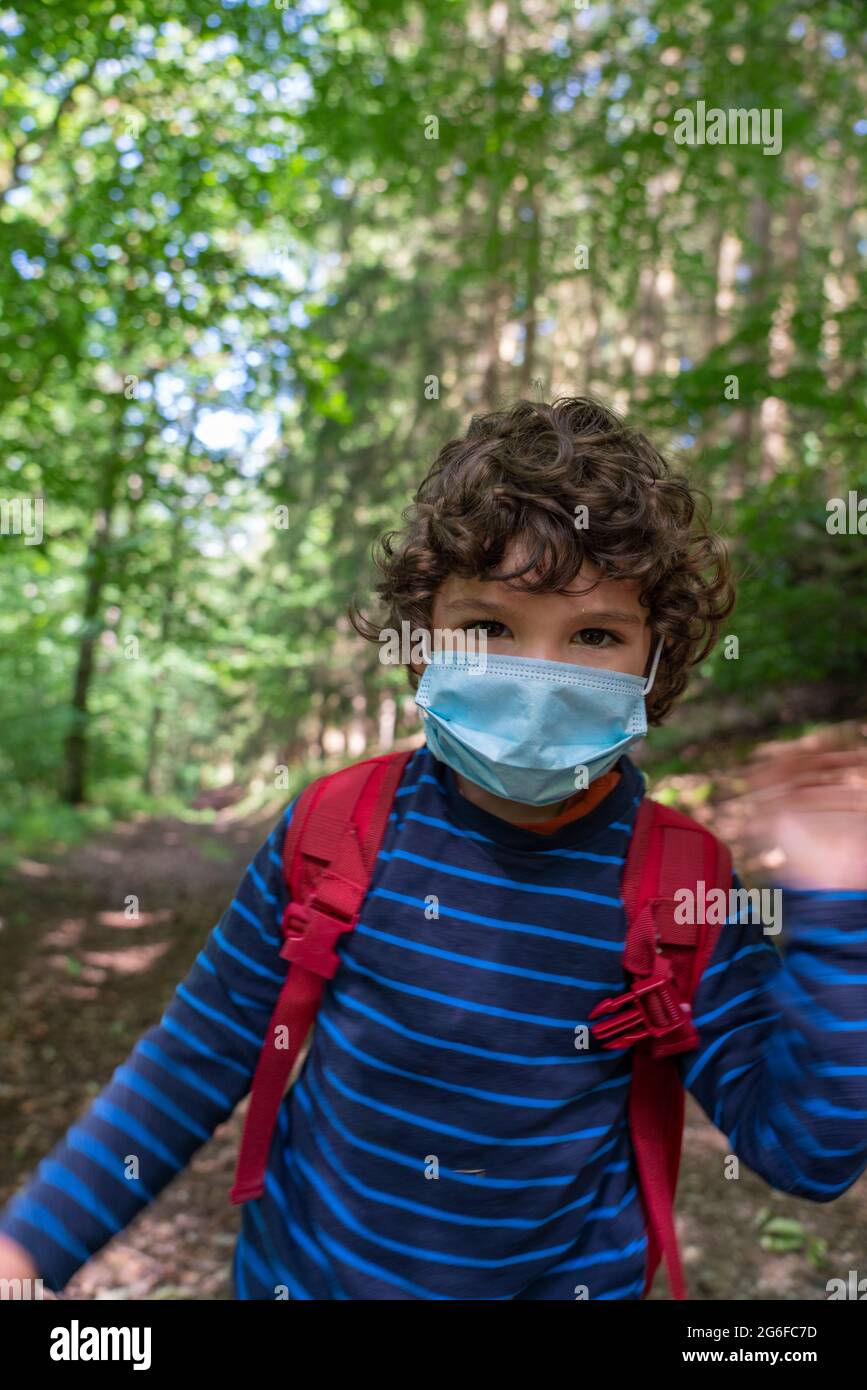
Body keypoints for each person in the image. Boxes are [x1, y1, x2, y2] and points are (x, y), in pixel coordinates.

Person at [1, 395, 865, 1300]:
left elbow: (805, 1152)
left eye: (596, 635)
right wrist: (31, 1252)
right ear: (420, 643)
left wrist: (839, 913)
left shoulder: (679, 885)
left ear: (656, 664)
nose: (538, 682)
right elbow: (195, 1059)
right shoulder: (336, 831)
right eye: (488, 627)